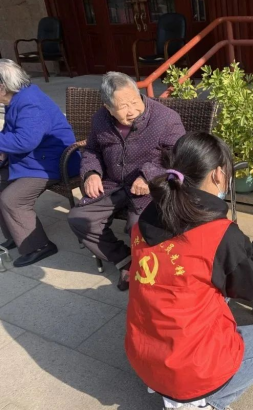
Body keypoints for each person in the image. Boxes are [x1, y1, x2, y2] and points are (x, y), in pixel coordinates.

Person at [125, 132, 253, 410]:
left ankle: (174, 390)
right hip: (190, 370)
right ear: (218, 174)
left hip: (142, 355)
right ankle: (204, 403)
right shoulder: (219, 233)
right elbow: (248, 286)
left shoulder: (144, 220)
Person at [68, 72, 185, 291]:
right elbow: (92, 149)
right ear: (108, 108)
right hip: (113, 183)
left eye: (135, 101)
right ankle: (124, 260)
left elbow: (179, 155)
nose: (132, 110)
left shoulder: (166, 118)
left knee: (138, 228)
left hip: (150, 189)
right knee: (79, 218)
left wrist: (149, 175)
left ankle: (147, 269)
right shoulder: (100, 119)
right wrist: (91, 173)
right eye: (123, 107)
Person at [0, 59, 79, 267]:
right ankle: (16, 234)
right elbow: (11, 133)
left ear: (2, 87)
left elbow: (25, 141)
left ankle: (38, 246)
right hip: (32, 158)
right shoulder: (14, 99)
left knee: (12, 198)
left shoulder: (29, 102)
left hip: (53, 162)